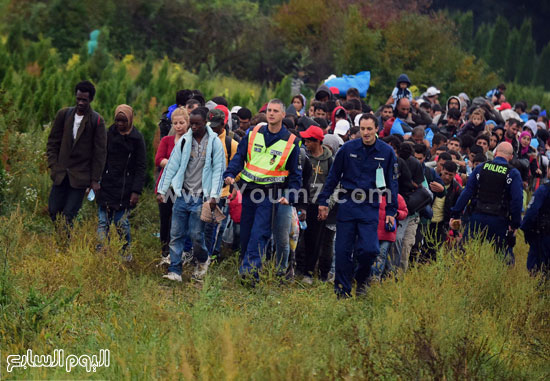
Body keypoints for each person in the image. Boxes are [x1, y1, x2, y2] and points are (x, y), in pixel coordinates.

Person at [317, 114, 398, 297]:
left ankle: (362, 279)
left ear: (377, 128)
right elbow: (333, 177)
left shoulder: (386, 152)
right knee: (343, 250)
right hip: (348, 203)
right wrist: (324, 201)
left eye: (369, 129)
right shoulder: (348, 148)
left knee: (370, 250)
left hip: (370, 205)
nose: (366, 133)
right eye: (362, 129)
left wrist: (391, 210)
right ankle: (342, 291)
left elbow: (392, 183)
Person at [223, 99, 302, 280]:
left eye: (275, 111)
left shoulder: (291, 142)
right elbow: (240, 157)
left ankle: (250, 273)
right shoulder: (253, 132)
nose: (271, 114)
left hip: (270, 194)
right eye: (269, 110)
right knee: (246, 232)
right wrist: (230, 173)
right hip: (249, 190)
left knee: (260, 232)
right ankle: (246, 268)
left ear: (283, 114)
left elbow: (296, 176)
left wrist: (290, 195)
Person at [157, 108, 225, 282]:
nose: (193, 127)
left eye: (197, 124)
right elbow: (172, 165)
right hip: (182, 194)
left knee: (196, 235)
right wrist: (162, 190)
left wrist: (214, 196)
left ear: (205, 123)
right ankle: (175, 271)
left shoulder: (214, 143)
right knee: (176, 233)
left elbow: (219, 170)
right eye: (191, 123)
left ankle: (202, 260)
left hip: (200, 197)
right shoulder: (184, 141)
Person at [46, 80, 107, 228]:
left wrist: (94, 180)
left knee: (69, 214)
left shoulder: (96, 120)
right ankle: (61, 243)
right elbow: (53, 142)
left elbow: (100, 152)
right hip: (60, 174)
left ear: (90, 99)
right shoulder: (64, 114)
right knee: (54, 210)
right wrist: (53, 165)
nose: (80, 102)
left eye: (84, 100)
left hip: (80, 177)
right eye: (78, 98)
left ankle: (64, 248)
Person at [450, 142, 523, 264]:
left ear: (495, 153)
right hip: (499, 220)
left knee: (464, 254)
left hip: (477, 217)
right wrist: (515, 224)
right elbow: (517, 200)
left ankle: (459, 279)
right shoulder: (513, 173)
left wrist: (455, 214)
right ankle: (504, 281)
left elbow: (467, 192)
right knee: (504, 258)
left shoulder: (481, 168)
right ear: (511, 157)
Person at [96, 105, 146, 261]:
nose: (120, 124)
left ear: (130, 120)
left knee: (121, 222)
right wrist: (95, 181)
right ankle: (102, 251)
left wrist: (136, 191)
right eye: (117, 120)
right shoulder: (108, 134)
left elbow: (141, 166)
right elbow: (100, 158)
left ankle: (125, 252)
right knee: (103, 222)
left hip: (125, 187)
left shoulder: (137, 139)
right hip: (107, 184)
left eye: (123, 121)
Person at [296, 125, 335, 283]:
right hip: (301, 202)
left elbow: (332, 183)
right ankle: (297, 268)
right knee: (297, 237)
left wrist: (327, 204)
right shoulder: (302, 156)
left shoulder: (329, 160)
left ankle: (309, 272)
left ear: (317, 141)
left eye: (309, 140)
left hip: (318, 205)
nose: (305, 142)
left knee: (314, 240)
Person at [154, 106, 190, 264]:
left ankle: (177, 253)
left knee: (179, 220)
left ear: (187, 123)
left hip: (184, 187)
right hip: (166, 186)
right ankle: (164, 252)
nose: (178, 126)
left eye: (181, 122)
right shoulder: (167, 140)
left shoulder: (191, 141)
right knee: (165, 218)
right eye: (175, 123)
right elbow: (158, 159)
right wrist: (174, 165)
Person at [520, 166, 550, 276]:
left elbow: (531, 213)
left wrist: (526, 231)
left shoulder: (544, 190)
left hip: (543, 237)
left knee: (536, 272)